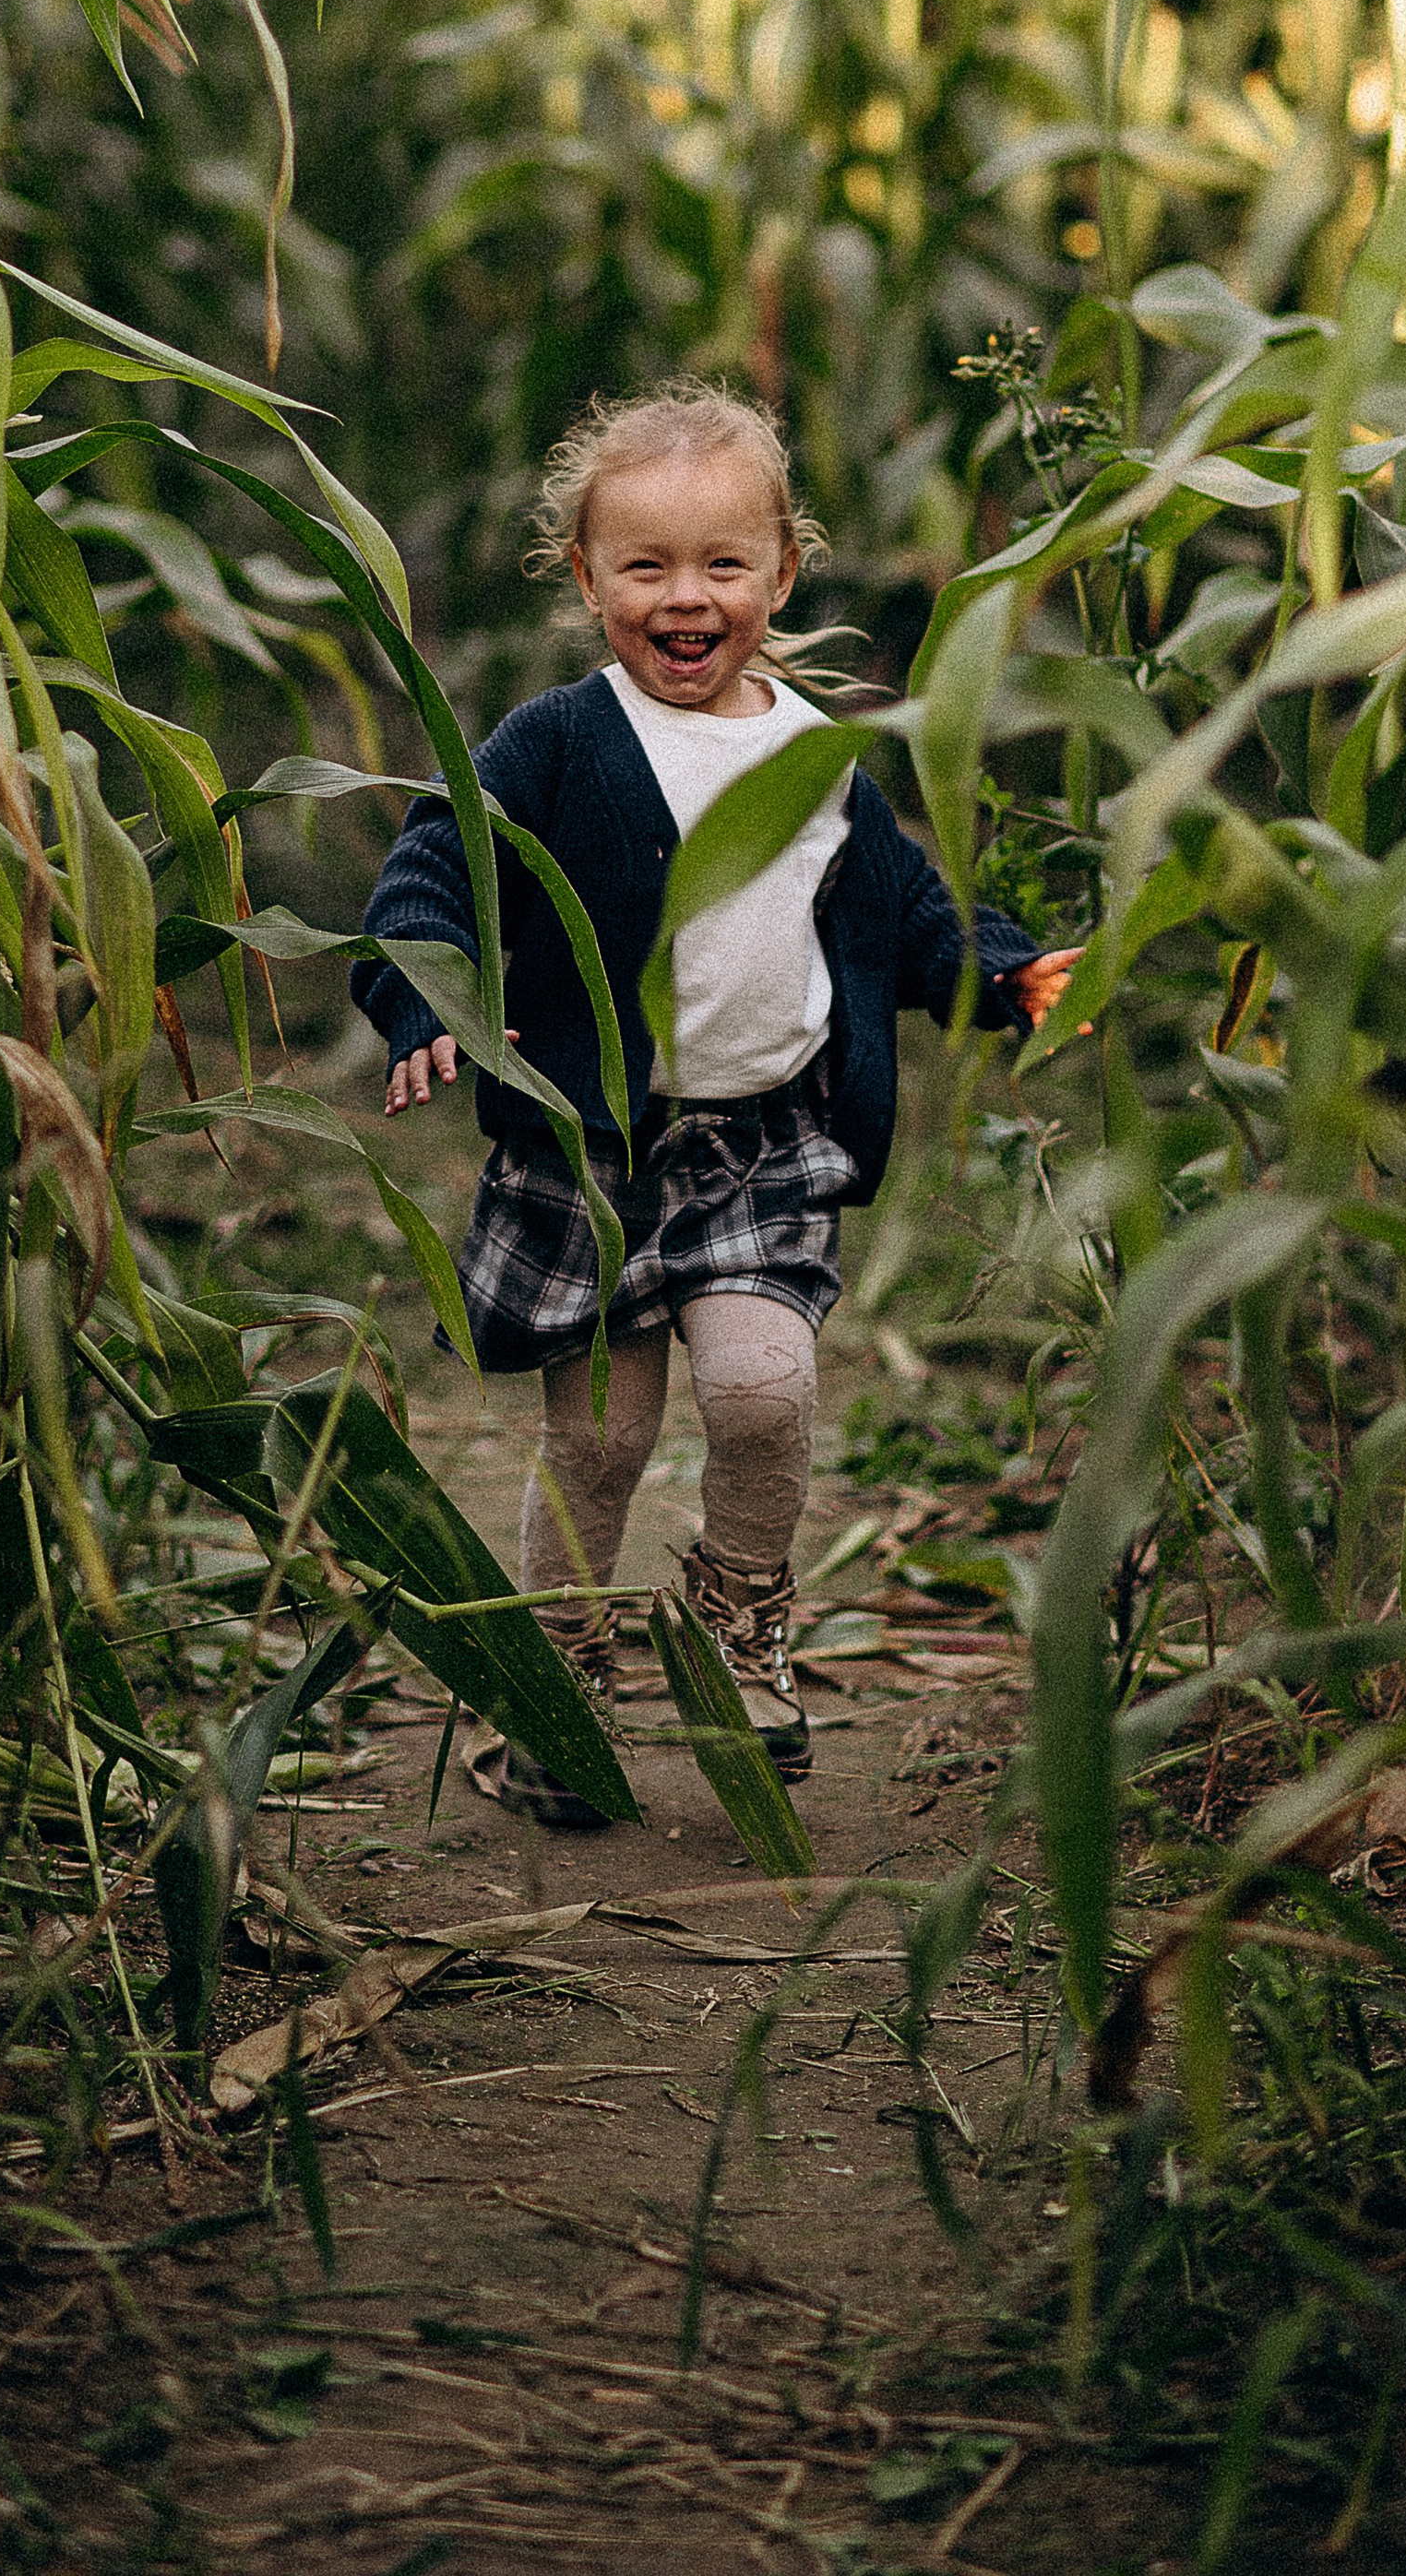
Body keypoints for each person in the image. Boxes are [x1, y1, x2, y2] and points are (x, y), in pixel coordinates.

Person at [352, 383, 1081, 1825]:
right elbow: (434, 872)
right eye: (645, 568)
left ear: (782, 573)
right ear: (587, 579)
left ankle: (741, 1626)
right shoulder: (555, 743)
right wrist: (427, 998)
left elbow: (910, 916)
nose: (686, 599)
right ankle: (551, 1681)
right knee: (602, 1443)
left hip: (756, 1146)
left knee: (763, 1392)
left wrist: (1003, 978)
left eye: (723, 566)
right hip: (592, 1150)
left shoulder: (816, 756)